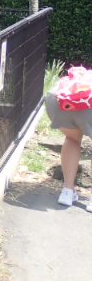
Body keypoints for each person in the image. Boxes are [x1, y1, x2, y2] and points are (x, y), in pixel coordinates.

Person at [45, 66, 92, 210]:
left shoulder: (85, 76)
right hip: (87, 104)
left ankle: (67, 191)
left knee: (72, 139)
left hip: (57, 101)